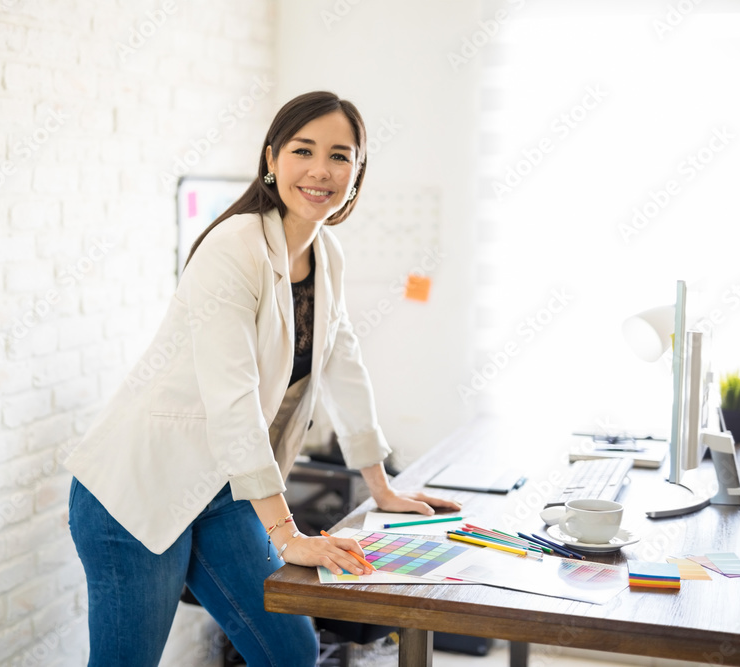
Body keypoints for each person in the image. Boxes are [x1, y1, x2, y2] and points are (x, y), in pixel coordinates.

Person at [65, 91, 461, 666]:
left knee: (290, 652)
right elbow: (233, 400)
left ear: (358, 173)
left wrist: (381, 486)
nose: (321, 169)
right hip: (140, 489)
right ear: (272, 160)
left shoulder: (327, 254)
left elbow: (344, 365)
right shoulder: (233, 247)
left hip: (225, 489)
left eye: (340, 155)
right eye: (304, 150)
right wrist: (288, 534)